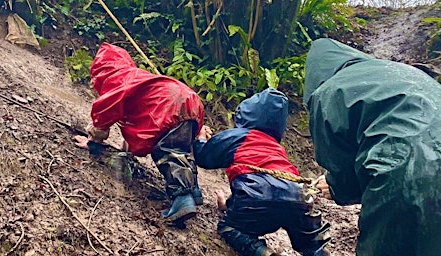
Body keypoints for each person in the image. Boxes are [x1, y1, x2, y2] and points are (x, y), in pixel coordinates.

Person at [303, 38, 441, 256]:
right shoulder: (404, 74)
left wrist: (333, 187)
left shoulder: (329, 92)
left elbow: (341, 169)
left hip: (405, 179)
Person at [74, 42, 205, 226]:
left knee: (168, 152)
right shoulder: (135, 77)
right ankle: (194, 191)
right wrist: (126, 152)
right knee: (182, 150)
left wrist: (94, 140)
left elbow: (103, 114)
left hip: (169, 105)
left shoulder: (116, 80)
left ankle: (183, 198)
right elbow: (135, 124)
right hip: (188, 99)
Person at [193, 88, 330, 256]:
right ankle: (316, 252)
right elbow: (273, 184)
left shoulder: (238, 136)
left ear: (246, 113)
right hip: (298, 196)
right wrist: (228, 204)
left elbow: (204, 158)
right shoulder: (276, 148)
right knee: (310, 243)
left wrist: (200, 139)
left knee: (229, 228)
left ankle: (261, 252)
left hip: (258, 197)